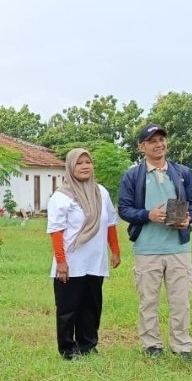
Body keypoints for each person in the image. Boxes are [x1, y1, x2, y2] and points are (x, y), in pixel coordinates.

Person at [118, 124, 192, 360]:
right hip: (147, 248)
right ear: (141, 147)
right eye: (152, 141)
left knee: (181, 301)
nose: (159, 144)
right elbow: (124, 209)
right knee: (148, 301)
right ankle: (151, 344)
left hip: (178, 247)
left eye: (161, 139)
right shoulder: (133, 175)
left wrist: (189, 217)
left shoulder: (182, 172)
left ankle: (182, 345)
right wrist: (147, 215)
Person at [47, 149, 121, 359]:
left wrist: (115, 250)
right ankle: (68, 349)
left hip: (95, 261)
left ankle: (88, 345)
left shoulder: (101, 192)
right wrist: (61, 262)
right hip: (71, 261)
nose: (85, 166)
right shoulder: (61, 196)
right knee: (68, 308)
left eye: (88, 162)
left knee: (91, 306)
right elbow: (56, 231)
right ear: (71, 167)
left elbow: (110, 223)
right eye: (79, 163)